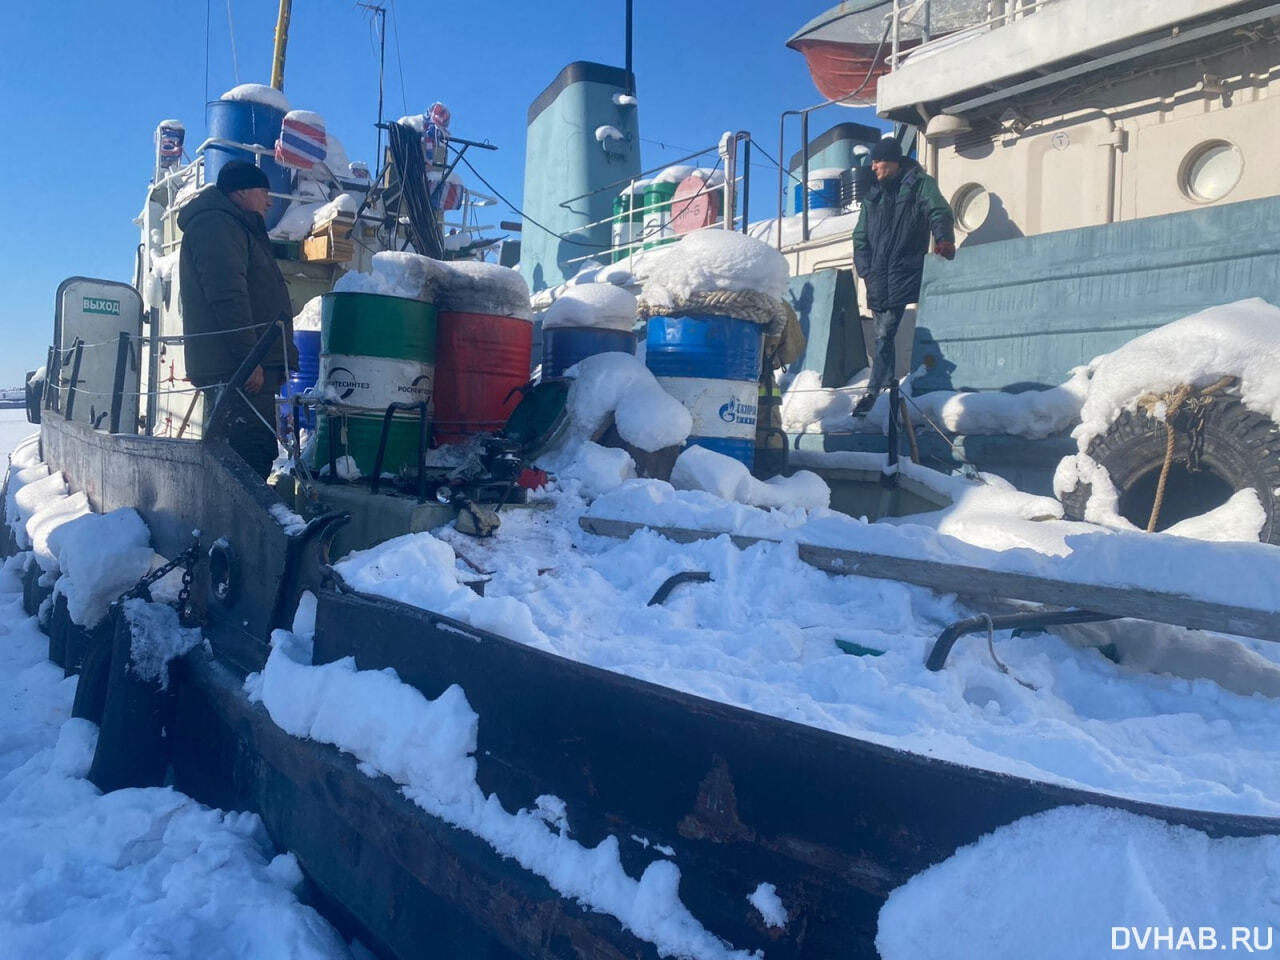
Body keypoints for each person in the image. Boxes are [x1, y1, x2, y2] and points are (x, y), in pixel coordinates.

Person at [178, 160, 297, 478]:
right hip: (238, 368)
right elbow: (226, 293)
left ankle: (243, 524)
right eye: (264, 192)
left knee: (253, 449)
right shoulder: (217, 225)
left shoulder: (236, 226)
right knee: (246, 452)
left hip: (245, 366)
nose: (269, 201)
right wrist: (249, 358)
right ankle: (238, 526)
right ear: (241, 191)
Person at [850, 138, 955, 416]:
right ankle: (886, 388)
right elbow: (860, 237)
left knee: (885, 333)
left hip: (905, 271)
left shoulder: (919, 184)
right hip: (878, 277)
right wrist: (866, 269)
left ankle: (875, 392)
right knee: (882, 335)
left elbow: (938, 210)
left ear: (893, 162)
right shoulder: (873, 196)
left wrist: (943, 240)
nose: (873, 167)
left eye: (878, 161)